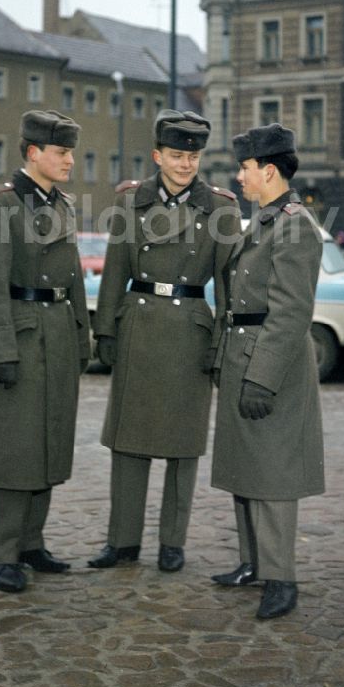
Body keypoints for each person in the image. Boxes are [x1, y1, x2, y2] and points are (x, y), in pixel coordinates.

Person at [88, 108, 241, 573]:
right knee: (128, 443)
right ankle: (122, 542)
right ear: (157, 155)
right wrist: (107, 331)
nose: (185, 165)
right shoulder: (130, 203)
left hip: (190, 329)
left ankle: (172, 543)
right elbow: (115, 270)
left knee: (183, 445)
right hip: (139, 324)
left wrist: (221, 343)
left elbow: (229, 285)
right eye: (176, 156)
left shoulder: (221, 208)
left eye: (192, 157)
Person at [0, 108, 90, 593]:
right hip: (18, 335)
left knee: (48, 441)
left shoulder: (62, 205)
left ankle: (31, 543)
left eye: (71, 152)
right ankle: (2, 554)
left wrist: (81, 338)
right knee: (15, 448)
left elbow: (72, 277)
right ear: (34, 153)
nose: (70, 160)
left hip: (55, 333)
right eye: (61, 152)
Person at [209, 122, 325, 619]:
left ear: (269, 170)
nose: (239, 176)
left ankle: (281, 577)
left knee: (274, 470)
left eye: (245, 167)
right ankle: (252, 562)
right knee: (245, 466)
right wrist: (224, 360)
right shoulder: (262, 221)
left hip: (270, 362)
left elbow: (291, 312)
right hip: (242, 353)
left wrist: (262, 375)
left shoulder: (295, 224)